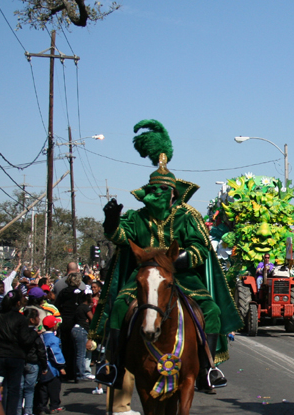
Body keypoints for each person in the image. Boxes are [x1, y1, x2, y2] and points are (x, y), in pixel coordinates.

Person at [92, 119, 242, 392]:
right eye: (152, 190)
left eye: (162, 190)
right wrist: (112, 222)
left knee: (211, 309)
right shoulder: (137, 218)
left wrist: (177, 260)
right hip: (145, 275)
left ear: (173, 194)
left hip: (182, 278)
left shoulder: (188, 216)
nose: (156, 194)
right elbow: (121, 238)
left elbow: (200, 248)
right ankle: (111, 365)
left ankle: (208, 368)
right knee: (117, 307)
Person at [0, 291, 37, 415]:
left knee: (2, 386)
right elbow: (24, 339)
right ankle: (11, 414)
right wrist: (34, 333)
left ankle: (2, 413)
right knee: (14, 386)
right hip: (16, 354)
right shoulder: (19, 319)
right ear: (17, 303)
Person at [19, 309, 46, 415]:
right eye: (37, 317)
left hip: (21, 361)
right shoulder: (35, 334)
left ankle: (17, 412)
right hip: (33, 362)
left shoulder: (19, 332)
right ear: (32, 319)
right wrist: (44, 365)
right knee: (29, 389)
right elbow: (41, 351)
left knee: (20, 387)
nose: (39, 319)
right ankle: (28, 412)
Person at [36, 315, 66, 415]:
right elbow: (55, 353)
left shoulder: (41, 336)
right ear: (54, 326)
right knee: (54, 388)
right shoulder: (53, 339)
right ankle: (54, 406)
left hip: (42, 365)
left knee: (43, 388)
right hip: (52, 367)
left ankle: (41, 407)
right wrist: (61, 366)